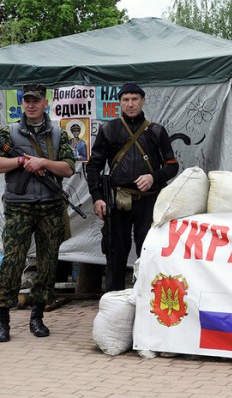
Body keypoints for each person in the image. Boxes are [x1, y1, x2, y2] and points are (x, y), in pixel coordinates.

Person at [0, 84, 76, 342]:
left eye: (36, 100)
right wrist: (21, 161)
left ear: (46, 103)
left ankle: (37, 316)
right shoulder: (9, 132)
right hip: (18, 205)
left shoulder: (57, 134)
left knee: (47, 262)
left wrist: (43, 162)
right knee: (11, 262)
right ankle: (3, 320)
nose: (30, 105)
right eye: (26, 100)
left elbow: (67, 168)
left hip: (50, 205)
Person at [86, 82, 178, 292]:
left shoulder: (156, 131)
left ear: (142, 101)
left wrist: (153, 177)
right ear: (119, 103)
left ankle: (147, 298)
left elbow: (172, 165)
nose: (130, 104)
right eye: (125, 100)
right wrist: (97, 197)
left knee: (148, 251)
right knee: (116, 253)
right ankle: (114, 301)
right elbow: (93, 166)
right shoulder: (108, 130)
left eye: (134, 99)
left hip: (149, 201)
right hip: (118, 201)